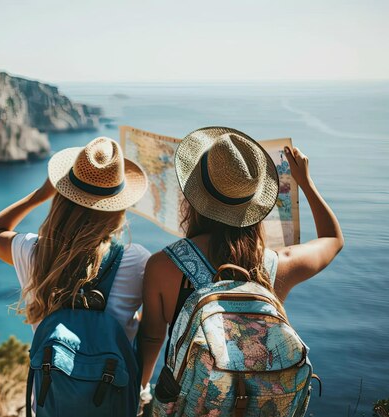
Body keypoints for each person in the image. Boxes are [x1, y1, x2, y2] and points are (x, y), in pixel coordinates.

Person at [139, 127, 344, 408]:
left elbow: (151, 337)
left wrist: (142, 392)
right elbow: (333, 239)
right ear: (255, 206)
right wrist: (305, 182)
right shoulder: (276, 265)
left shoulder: (163, 266)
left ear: (194, 199)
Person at [0, 136, 151, 416]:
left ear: (62, 195)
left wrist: (41, 193)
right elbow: (150, 334)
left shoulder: (35, 253)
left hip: (52, 402)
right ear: (118, 206)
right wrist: (141, 386)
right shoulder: (137, 260)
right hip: (112, 399)